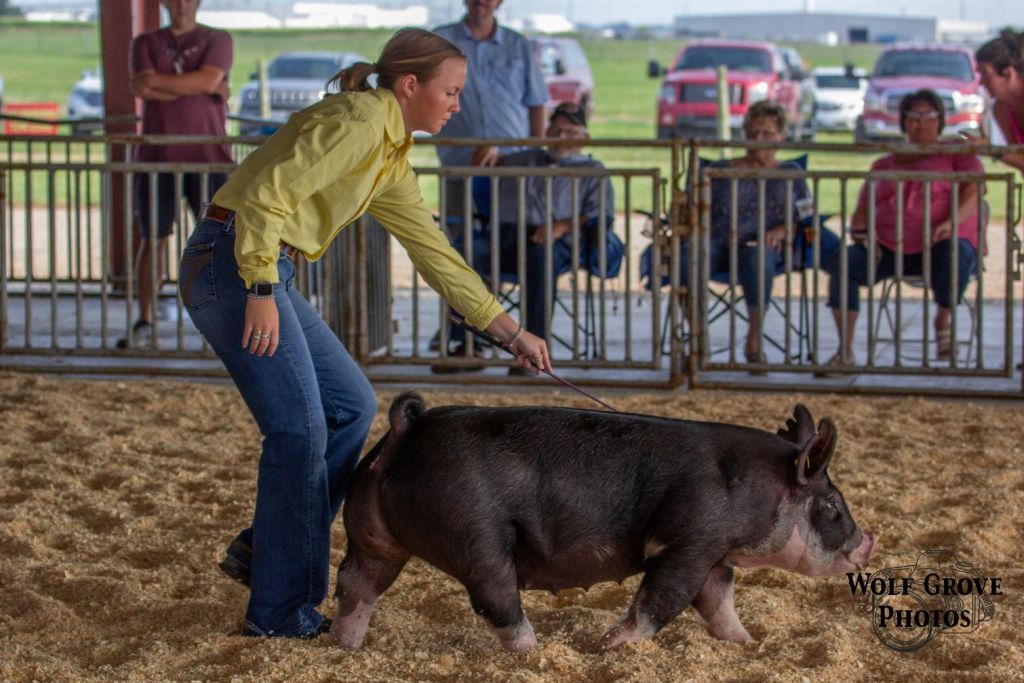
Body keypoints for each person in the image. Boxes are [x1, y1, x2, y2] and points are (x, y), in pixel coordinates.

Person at [177, 28, 551, 639]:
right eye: (450, 91)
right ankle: (279, 614)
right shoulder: (358, 122)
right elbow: (266, 198)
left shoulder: (391, 154)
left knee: (350, 405)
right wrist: (262, 289)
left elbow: (435, 253)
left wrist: (511, 332)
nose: (457, 105)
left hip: (260, 265)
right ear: (411, 85)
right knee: (298, 431)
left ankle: (266, 547)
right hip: (237, 262)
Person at [433, 101, 616, 375]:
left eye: (570, 132)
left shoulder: (593, 169)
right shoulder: (524, 158)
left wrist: (563, 225)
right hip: (506, 235)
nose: (560, 137)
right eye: (555, 130)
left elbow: (601, 213)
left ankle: (533, 353)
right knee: (465, 253)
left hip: (555, 241)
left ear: (584, 138)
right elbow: (482, 168)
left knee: (540, 257)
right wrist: (487, 151)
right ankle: (465, 346)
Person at [824, 89, 983, 365]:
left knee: (954, 253)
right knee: (844, 261)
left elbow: (974, 192)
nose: (920, 122)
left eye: (927, 115)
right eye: (913, 116)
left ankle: (943, 318)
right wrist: (862, 235)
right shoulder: (883, 165)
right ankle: (845, 349)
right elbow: (862, 211)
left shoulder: (958, 155)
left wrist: (949, 223)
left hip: (941, 245)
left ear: (940, 119)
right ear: (903, 121)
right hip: (887, 248)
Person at [119, 0, 232, 349]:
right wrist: (200, 85)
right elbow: (141, 87)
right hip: (158, 157)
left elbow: (208, 78)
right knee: (153, 237)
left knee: (218, 242)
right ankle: (145, 318)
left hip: (209, 157)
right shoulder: (145, 41)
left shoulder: (218, 38)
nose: (182, 4)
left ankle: (223, 321)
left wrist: (162, 83)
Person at [680, 100, 811, 365]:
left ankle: (754, 337)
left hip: (765, 246)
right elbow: (690, 209)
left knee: (757, 256)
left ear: (781, 136)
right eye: (753, 132)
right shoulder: (718, 171)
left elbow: (807, 215)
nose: (758, 139)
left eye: (767, 133)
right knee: (687, 256)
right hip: (718, 241)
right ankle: (697, 335)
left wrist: (785, 229)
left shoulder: (792, 173)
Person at [432, 0, 547, 215]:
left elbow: (537, 103)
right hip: (459, 163)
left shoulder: (519, 45)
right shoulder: (439, 41)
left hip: (514, 167)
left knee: (515, 232)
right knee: (459, 231)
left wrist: (537, 158)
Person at [970, 30, 1024, 173]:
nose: (981, 83)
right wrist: (991, 150)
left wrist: (992, 150)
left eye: (985, 74)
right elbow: (1020, 160)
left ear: (1008, 73)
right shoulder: (1002, 109)